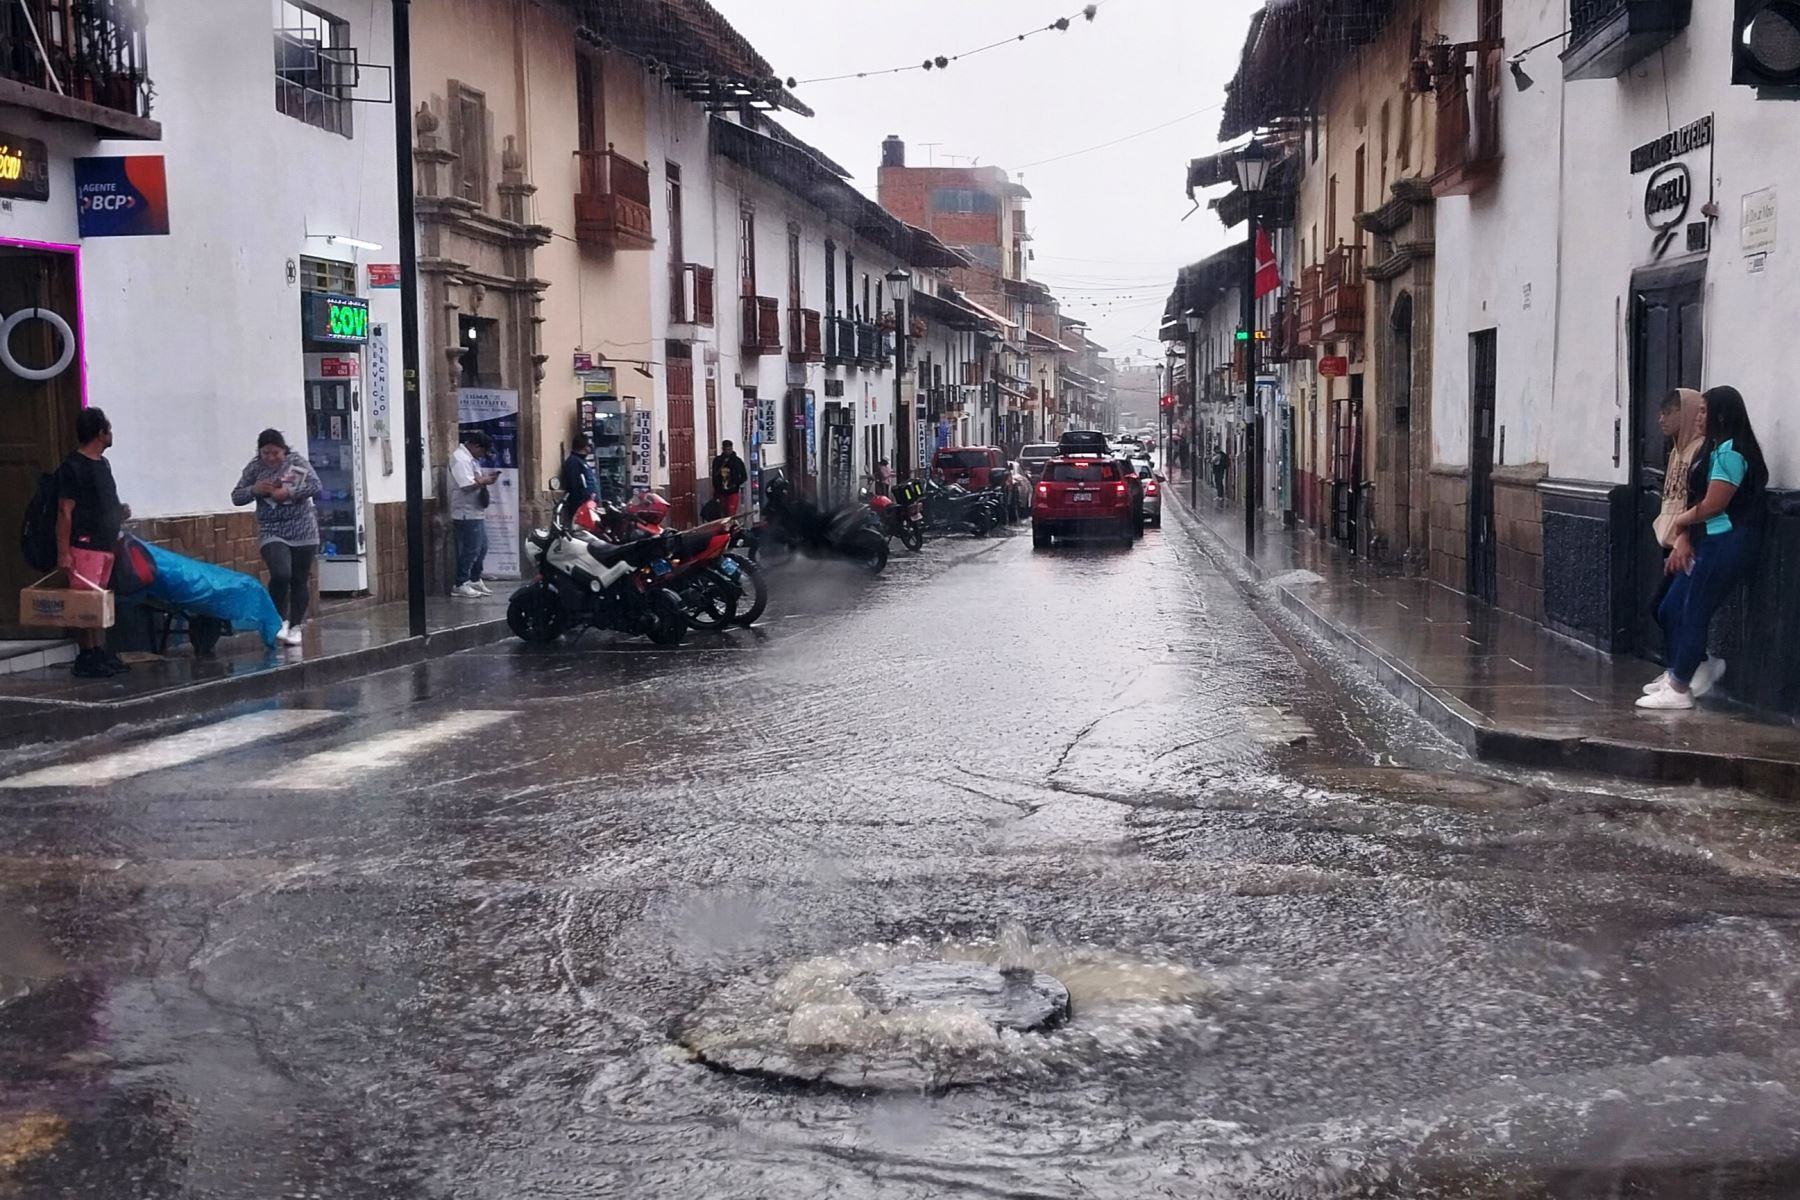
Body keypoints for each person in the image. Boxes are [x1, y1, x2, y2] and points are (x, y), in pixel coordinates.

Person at [1638, 385, 1768, 710]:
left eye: (1704, 410)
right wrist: (1684, 534)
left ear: (1722, 415)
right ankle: (1688, 668)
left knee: (1694, 608)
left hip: (1726, 540)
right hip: (1707, 539)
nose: (1698, 416)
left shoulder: (1731, 452)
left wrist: (1681, 523)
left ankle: (1680, 687)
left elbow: (1713, 504)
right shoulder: (1713, 450)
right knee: (1670, 607)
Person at [55, 407, 129, 679]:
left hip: (105, 543)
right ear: (100, 433)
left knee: (99, 601)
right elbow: (65, 511)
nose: (111, 434)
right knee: (85, 602)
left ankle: (99, 650)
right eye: (108, 429)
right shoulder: (74, 467)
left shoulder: (102, 463)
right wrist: (64, 551)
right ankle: (85, 653)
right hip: (85, 545)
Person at [231, 428, 322, 649]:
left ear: (283, 450)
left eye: (275, 453)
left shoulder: (296, 463)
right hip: (272, 528)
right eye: (266, 453)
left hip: (303, 529)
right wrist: (254, 490)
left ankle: (296, 626)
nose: (271, 458)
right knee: (281, 573)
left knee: (299, 578)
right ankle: (278, 618)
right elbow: (236, 496)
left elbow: (316, 486)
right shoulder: (254, 468)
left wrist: (289, 493)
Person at [1647, 389, 1705, 618]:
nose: (1662, 419)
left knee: (1668, 610)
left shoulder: (1700, 450)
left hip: (1687, 541)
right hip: (1670, 538)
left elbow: (1698, 499)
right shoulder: (1675, 452)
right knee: (1670, 611)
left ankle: (1688, 654)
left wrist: (1686, 536)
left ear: (1687, 414)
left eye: (1669, 413)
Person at [450, 430, 500, 598]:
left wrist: (484, 480)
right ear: (475, 445)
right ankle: (460, 583)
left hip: (476, 510)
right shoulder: (460, 459)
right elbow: (465, 484)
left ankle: (474, 578)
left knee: (482, 547)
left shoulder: (472, 460)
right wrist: (484, 481)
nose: (483, 455)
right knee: (471, 549)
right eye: (482, 451)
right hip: (465, 512)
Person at [558, 433, 598, 524]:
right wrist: (580, 505)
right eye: (589, 445)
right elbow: (575, 486)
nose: (591, 449)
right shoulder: (574, 462)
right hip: (581, 509)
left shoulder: (581, 462)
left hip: (589, 507)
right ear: (584, 447)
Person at [711, 439, 749, 517]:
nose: (727, 451)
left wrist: (735, 483)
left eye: (729, 449)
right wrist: (716, 487)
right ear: (722, 449)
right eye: (725, 449)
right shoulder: (717, 461)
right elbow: (714, 476)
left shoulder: (737, 461)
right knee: (720, 514)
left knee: (731, 514)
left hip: (732, 492)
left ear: (732, 449)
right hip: (720, 492)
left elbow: (744, 476)